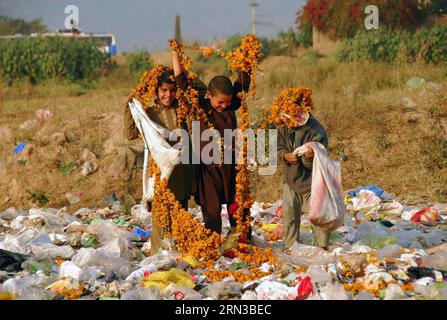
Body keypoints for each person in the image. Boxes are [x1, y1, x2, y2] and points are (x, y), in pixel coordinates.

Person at [171, 48, 251, 239]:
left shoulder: (232, 106)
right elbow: (182, 83)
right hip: (208, 168)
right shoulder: (200, 108)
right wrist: (175, 56)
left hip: (232, 166)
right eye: (220, 102)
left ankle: (241, 241)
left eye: (227, 102)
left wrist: (247, 59)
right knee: (212, 209)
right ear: (209, 96)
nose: (224, 106)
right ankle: (213, 243)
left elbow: (242, 83)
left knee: (237, 206)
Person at [123, 67, 197, 255]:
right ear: (156, 90)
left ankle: (180, 255)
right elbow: (131, 134)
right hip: (160, 174)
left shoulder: (183, 110)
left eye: (172, 90)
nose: (168, 95)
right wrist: (129, 107)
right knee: (160, 218)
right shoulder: (148, 113)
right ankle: (157, 255)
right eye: (164, 90)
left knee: (180, 214)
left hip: (181, 171)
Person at [277, 109, 330, 249]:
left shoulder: (316, 130)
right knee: (289, 215)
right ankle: (291, 247)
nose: (287, 123)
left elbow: (321, 157)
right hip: (290, 179)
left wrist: (309, 157)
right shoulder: (283, 127)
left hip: (312, 181)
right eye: (285, 120)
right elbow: (278, 147)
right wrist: (284, 155)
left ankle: (322, 247)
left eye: (290, 120)